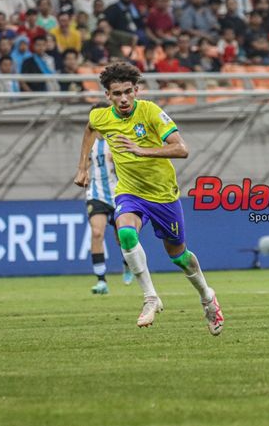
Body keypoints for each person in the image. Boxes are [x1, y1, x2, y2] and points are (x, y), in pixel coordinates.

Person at [73, 62, 224, 333]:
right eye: (116, 93)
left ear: (136, 90)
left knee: (178, 256)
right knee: (126, 235)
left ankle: (207, 296)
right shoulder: (101, 117)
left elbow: (181, 149)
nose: (123, 99)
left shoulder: (151, 111)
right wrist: (82, 167)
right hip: (130, 192)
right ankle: (150, 298)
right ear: (107, 96)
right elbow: (89, 130)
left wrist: (142, 151)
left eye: (127, 92)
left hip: (163, 196)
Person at [84, 129, 133, 294]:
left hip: (118, 193)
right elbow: (84, 162)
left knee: (122, 237)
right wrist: (82, 171)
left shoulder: (116, 139)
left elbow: (131, 163)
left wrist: (119, 161)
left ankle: (127, 264)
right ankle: (101, 281)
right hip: (96, 195)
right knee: (97, 233)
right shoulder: (89, 142)